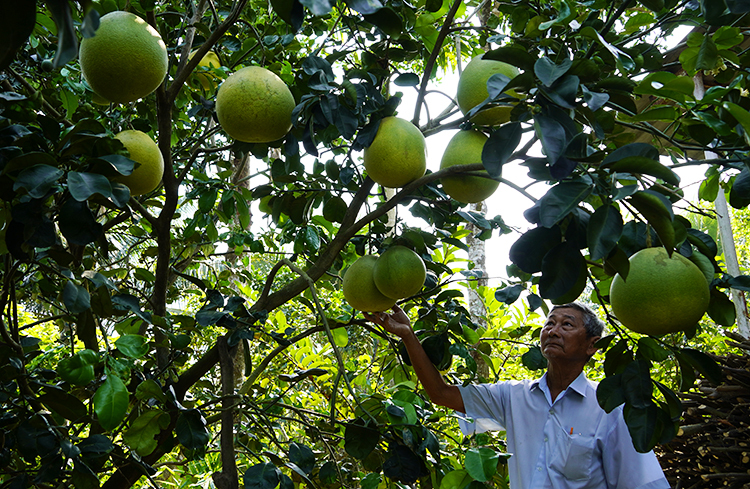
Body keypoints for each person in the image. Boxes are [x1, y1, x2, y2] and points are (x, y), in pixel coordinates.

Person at [365, 302, 670, 489]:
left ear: (592, 345)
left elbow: (641, 482)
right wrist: (408, 335)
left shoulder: (608, 407)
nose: (552, 330)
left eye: (567, 325)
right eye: (549, 322)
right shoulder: (513, 397)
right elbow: (441, 393)